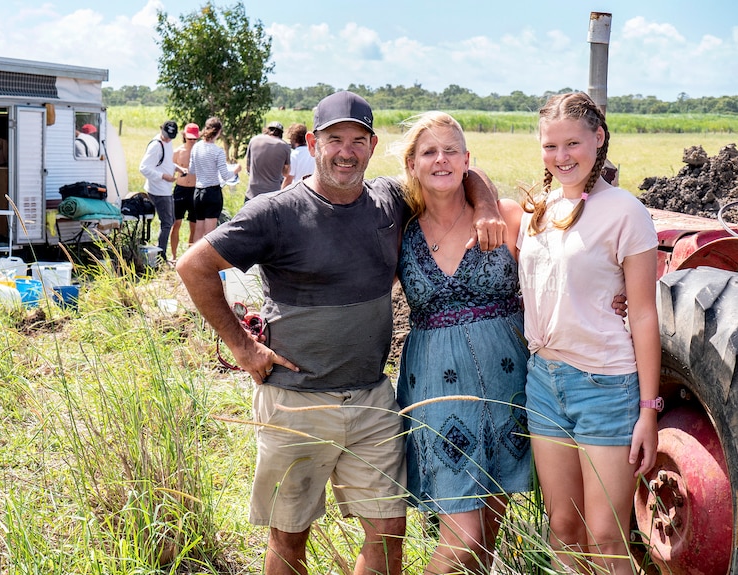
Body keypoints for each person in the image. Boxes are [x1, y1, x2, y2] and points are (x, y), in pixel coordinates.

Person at [176, 91, 505, 575]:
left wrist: (487, 205)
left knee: (389, 533)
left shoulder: (391, 201)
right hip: (296, 403)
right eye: (334, 139)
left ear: (372, 147)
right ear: (312, 143)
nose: (346, 151)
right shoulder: (275, 211)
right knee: (289, 538)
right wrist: (243, 347)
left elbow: (455, 171)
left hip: (373, 401)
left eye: (357, 140)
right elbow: (193, 265)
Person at [517, 92, 660, 574]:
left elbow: (642, 314)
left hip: (606, 384)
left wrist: (647, 410)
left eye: (573, 143)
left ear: (598, 139)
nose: (562, 157)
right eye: (550, 146)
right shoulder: (537, 210)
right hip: (544, 381)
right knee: (563, 526)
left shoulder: (625, 212)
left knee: (607, 535)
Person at [393, 112, 530, 574]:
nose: (442, 160)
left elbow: (558, 273)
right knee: (462, 537)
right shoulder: (400, 230)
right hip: (437, 388)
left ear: (468, 160)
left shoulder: (505, 216)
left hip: (508, 383)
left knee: (489, 527)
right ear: (412, 164)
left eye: (451, 150)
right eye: (429, 152)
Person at [189, 117, 241, 240]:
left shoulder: (196, 147)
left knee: (198, 230)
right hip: (212, 192)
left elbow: (191, 170)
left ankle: (194, 258)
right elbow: (225, 175)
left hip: (198, 191)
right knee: (209, 234)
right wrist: (236, 170)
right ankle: (206, 259)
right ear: (218, 132)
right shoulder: (217, 151)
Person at [139, 120, 182, 260]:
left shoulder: (167, 143)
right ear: (160, 129)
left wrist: (176, 168)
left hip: (165, 189)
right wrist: (163, 176)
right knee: (168, 223)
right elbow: (143, 168)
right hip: (159, 190)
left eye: (171, 136)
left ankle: (159, 251)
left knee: (170, 220)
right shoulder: (156, 146)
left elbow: (165, 162)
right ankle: (161, 256)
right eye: (166, 135)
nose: (168, 138)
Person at [170, 122, 200, 262]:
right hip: (180, 190)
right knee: (176, 223)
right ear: (184, 136)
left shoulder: (200, 151)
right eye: (190, 138)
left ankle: (189, 256)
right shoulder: (178, 152)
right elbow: (169, 167)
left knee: (194, 225)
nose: (192, 141)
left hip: (195, 190)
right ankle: (174, 256)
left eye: (195, 138)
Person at [244, 121, 290, 200]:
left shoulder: (254, 140)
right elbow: (286, 173)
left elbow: (248, 167)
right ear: (281, 134)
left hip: (252, 193)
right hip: (272, 196)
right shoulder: (285, 146)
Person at [282, 123, 315, 188]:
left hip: (299, 189)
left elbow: (289, 179)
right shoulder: (313, 152)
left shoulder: (295, 154)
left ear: (293, 138)